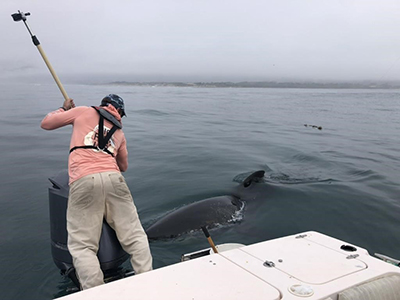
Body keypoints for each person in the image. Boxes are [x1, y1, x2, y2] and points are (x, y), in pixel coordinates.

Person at [41, 94, 153, 290]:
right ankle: (148, 283)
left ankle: (95, 292)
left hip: (83, 180)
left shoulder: (83, 111)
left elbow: (47, 123)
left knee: (83, 245)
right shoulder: (119, 132)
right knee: (135, 236)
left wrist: (64, 109)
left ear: (103, 105)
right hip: (114, 179)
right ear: (119, 112)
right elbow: (123, 166)